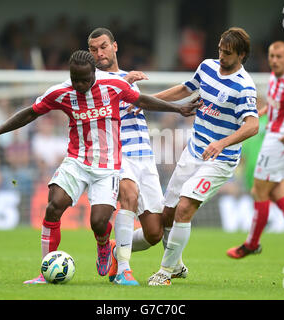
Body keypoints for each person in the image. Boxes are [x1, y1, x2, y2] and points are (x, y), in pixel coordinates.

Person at [0, 50, 199, 284]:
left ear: (94, 74)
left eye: (84, 79)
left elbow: (141, 100)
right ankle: (45, 270)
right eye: (75, 78)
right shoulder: (60, 92)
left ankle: (103, 245)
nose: (79, 84)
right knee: (53, 206)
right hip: (77, 161)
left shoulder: (112, 85)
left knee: (99, 222)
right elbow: (30, 113)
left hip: (108, 166)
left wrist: (178, 109)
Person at [147, 27, 259, 286]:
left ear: (241, 55)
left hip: (220, 160)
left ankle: (165, 272)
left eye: (228, 52)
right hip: (193, 151)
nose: (221, 55)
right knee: (168, 214)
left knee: (185, 208)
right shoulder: (207, 67)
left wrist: (222, 142)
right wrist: (146, 100)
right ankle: (176, 264)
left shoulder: (244, 87)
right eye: (220, 48)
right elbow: (185, 89)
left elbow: (253, 125)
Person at [87, 27, 190, 286]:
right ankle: (123, 269)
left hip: (145, 156)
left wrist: (137, 91)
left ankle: (115, 249)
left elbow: (141, 102)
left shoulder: (125, 78)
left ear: (115, 46)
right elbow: (104, 106)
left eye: (103, 47)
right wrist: (128, 84)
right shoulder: (90, 80)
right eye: (93, 49)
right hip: (118, 154)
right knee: (129, 197)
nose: (99, 53)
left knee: (154, 232)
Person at [226, 41, 284, 264]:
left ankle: (251, 244)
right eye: (271, 56)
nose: (275, 60)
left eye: (279, 56)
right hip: (279, 143)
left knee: (259, 192)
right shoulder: (274, 79)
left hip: (278, 143)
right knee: (278, 193)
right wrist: (261, 112)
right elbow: (277, 105)